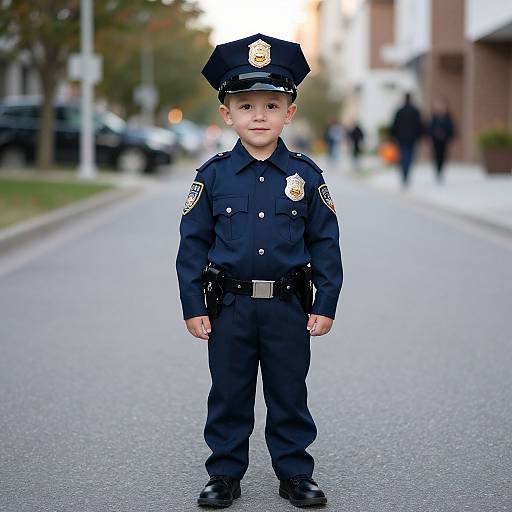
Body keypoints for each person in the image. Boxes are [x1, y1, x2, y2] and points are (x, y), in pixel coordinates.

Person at [175, 33, 343, 508]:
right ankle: (225, 474)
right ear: (226, 113)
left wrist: (325, 303)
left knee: (289, 392)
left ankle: (295, 473)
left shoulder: (307, 177)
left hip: (289, 306)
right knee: (229, 393)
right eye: (246, 106)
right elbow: (192, 245)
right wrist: (193, 305)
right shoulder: (212, 176)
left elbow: (325, 243)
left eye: (272, 105)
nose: (259, 115)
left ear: (289, 111)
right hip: (229, 306)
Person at [390, 92, 424, 187]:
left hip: (401, 138)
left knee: (403, 155)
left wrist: (393, 136)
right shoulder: (415, 111)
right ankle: (406, 173)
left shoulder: (399, 111)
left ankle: (404, 173)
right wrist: (419, 137)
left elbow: (394, 125)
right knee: (409, 155)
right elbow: (419, 126)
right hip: (412, 138)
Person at [428, 98, 455, 182]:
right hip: (435, 140)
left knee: (443, 156)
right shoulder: (434, 117)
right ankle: (437, 170)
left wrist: (449, 136)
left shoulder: (447, 117)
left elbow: (451, 128)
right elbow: (429, 128)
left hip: (444, 140)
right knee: (436, 155)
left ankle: (441, 170)